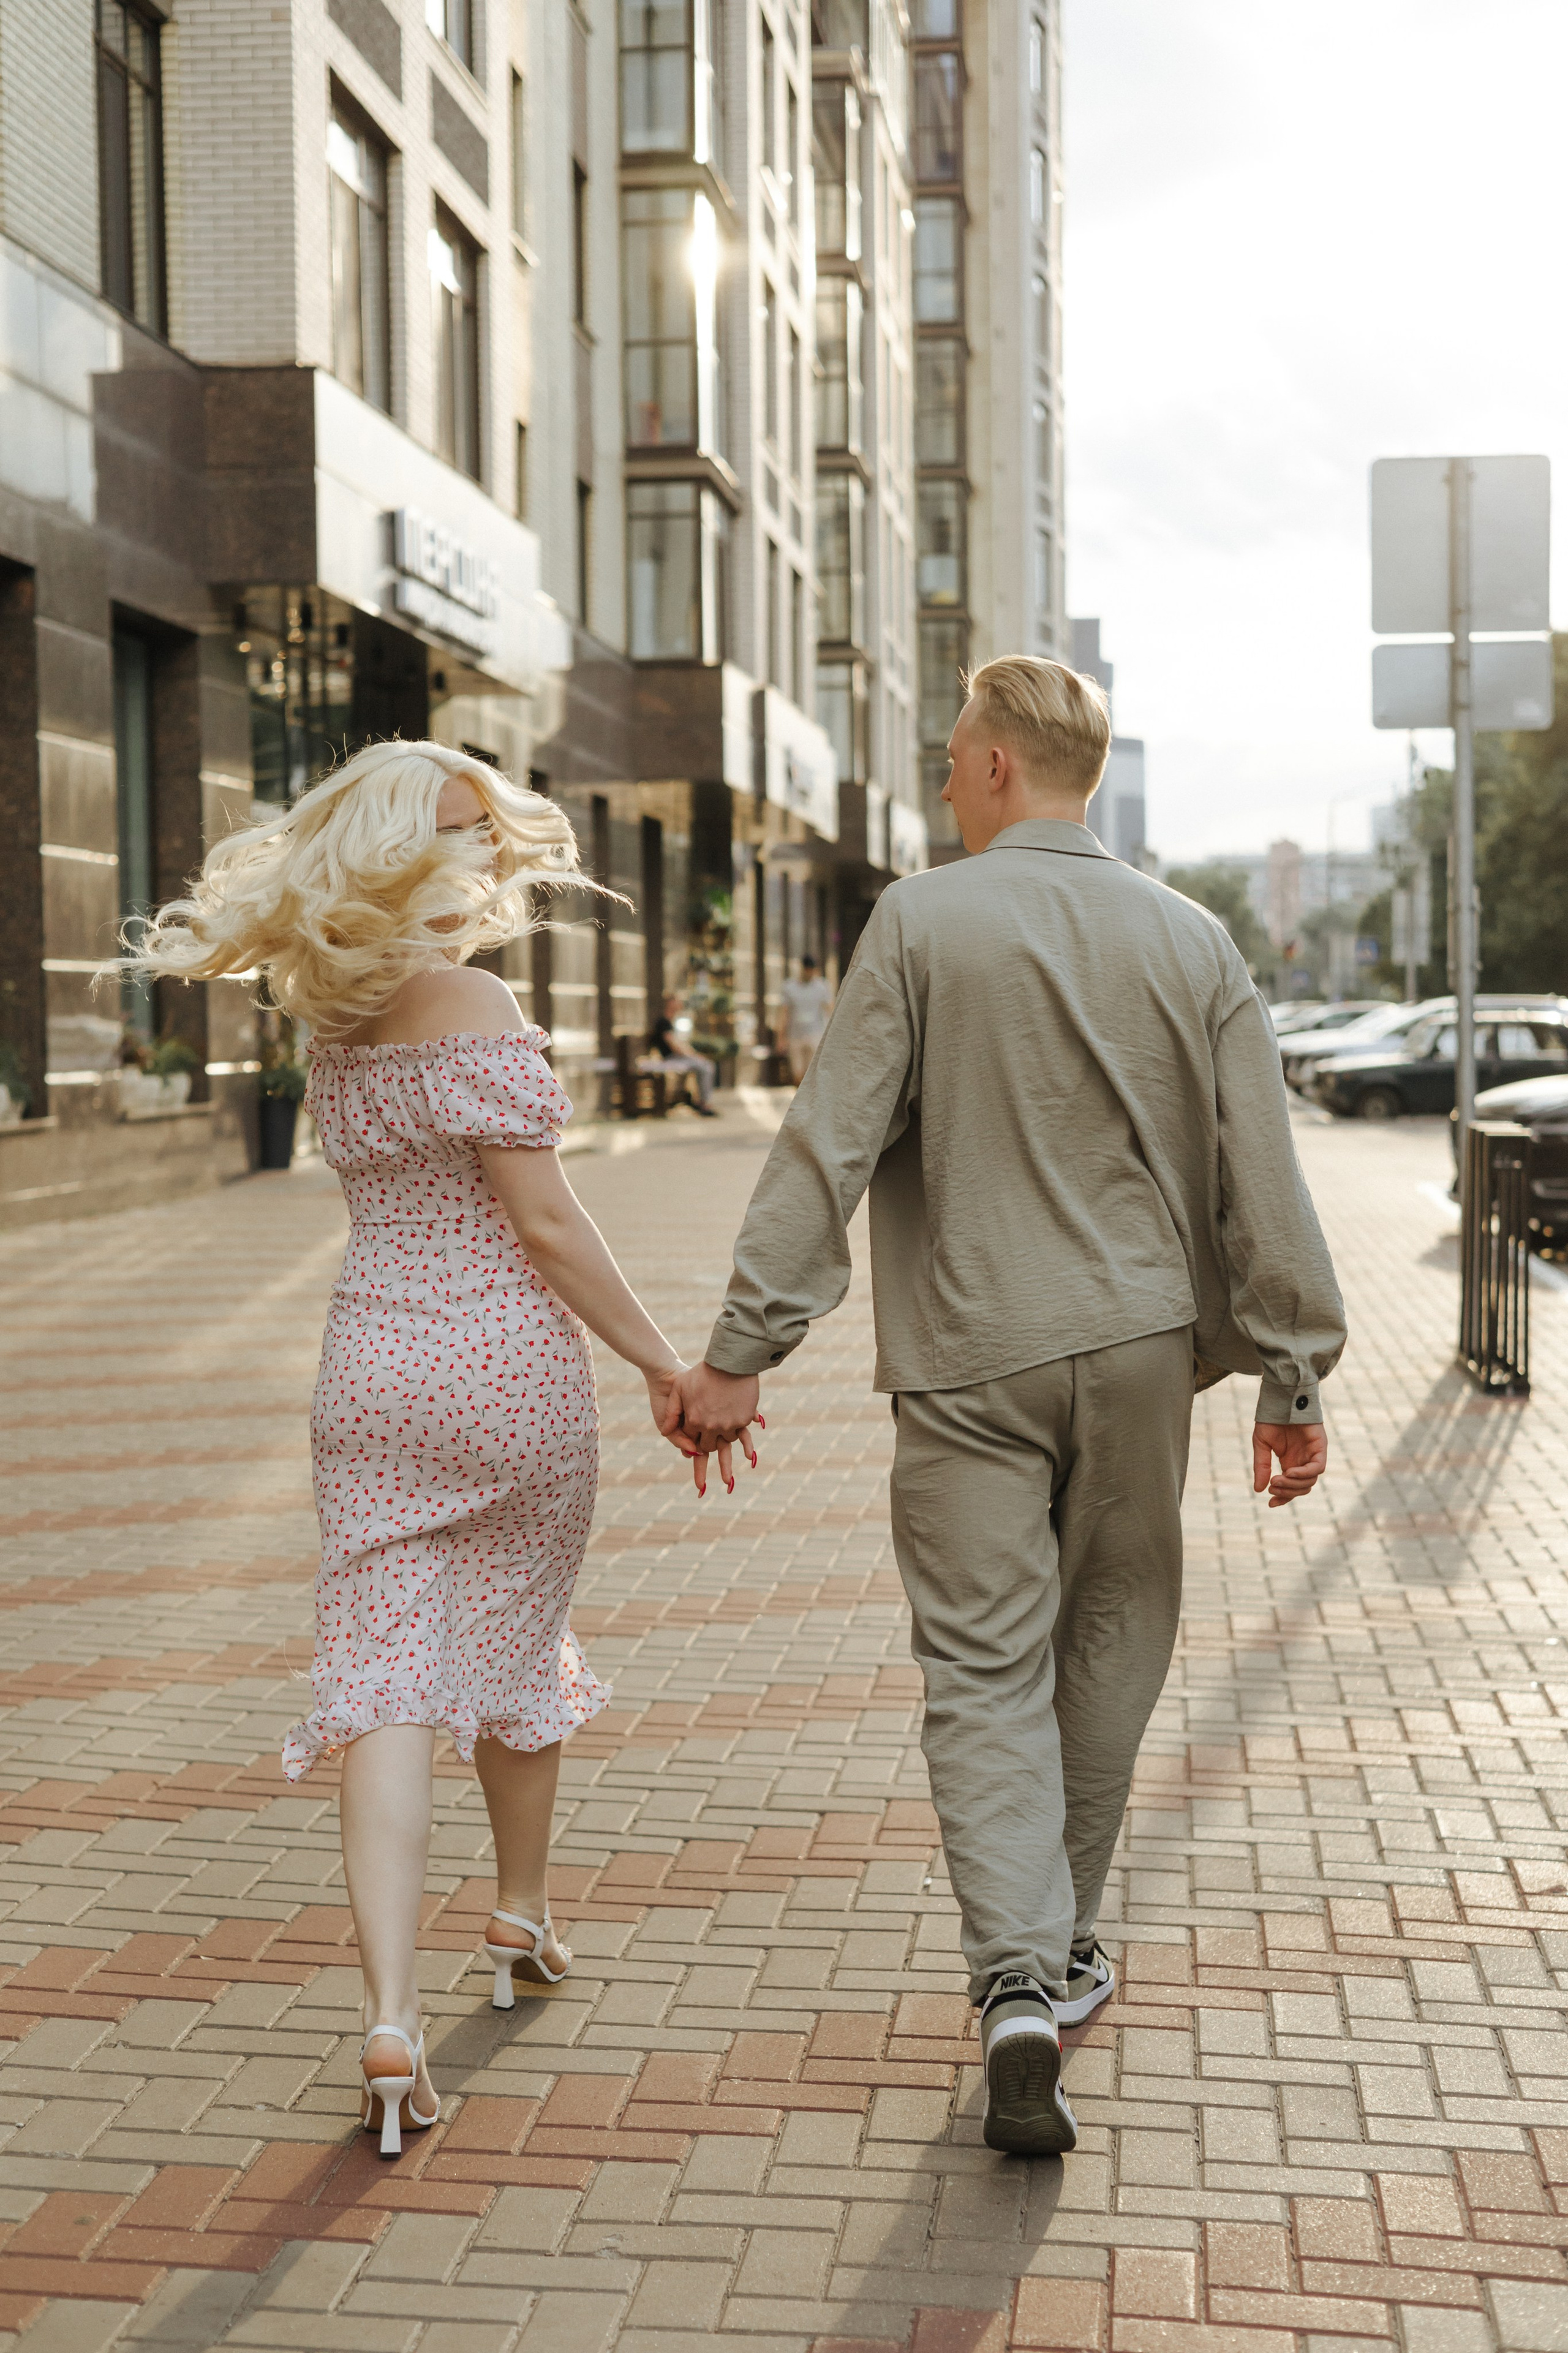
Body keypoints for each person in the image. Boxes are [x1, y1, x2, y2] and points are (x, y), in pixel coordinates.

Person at [670, 658, 1346, 2159]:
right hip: (1138, 1354)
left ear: (990, 768)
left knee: (980, 1670)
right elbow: (1265, 1171)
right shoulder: (1191, 938)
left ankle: (1016, 1985)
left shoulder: (918, 919)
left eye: (948, 751)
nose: (941, 777)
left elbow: (823, 1147)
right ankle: (1065, 1941)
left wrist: (739, 1351)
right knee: (1106, 1643)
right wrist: (1292, 1371)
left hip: (968, 1359)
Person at [127, 742, 752, 2158]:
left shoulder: (333, 1012)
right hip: (505, 1367)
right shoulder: (474, 999)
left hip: (369, 1370)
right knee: (517, 1653)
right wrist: (664, 1360)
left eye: (488, 835)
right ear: (397, 848)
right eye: (460, 836)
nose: (482, 862)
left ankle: (393, 2012)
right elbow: (542, 1222)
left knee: (381, 1682)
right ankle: (520, 1912)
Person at [647, 993, 719, 1116]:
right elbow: (675, 1047)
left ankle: (695, 1100)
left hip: (677, 1058)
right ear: (670, 1003)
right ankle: (704, 1104)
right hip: (671, 1059)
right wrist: (692, 1056)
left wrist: (693, 1054)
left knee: (705, 1065)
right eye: (677, 1001)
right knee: (706, 1067)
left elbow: (680, 1045)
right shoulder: (664, 1022)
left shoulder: (671, 1022)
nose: (680, 1004)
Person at [777, 954, 832, 1083]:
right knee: (797, 1072)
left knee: (812, 1071)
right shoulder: (789, 987)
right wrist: (781, 1037)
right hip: (795, 1035)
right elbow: (784, 1013)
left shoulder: (822, 987)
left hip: (815, 1033)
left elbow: (829, 1009)